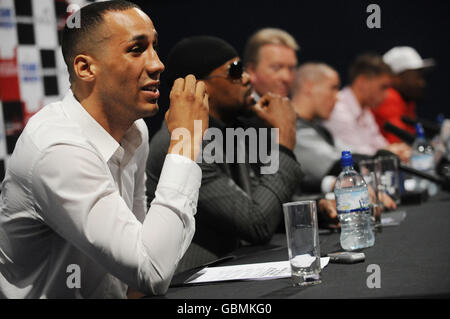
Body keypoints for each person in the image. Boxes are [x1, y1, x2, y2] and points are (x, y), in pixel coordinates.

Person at [0, 1, 209, 299]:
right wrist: (185, 140)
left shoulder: (134, 131)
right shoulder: (57, 150)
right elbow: (152, 270)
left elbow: (142, 258)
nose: (157, 63)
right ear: (86, 68)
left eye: (154, 47)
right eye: (136, 49)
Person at [146, 36, 338, 273]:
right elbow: (257, 224)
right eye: (235, 71)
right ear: (199, 87)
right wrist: (285, 140)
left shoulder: (234, 130)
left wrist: (314, 209)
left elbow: (262, 202)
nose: (247, 79)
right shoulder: (180, 141)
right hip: (188, 284)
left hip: (232, 268)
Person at [292, 63, 397, 210]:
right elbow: (336, 164)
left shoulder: (318, 127)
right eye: (333, 88)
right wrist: (378, 161)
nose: (337, 97)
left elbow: (348, 153)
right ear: (309, 86)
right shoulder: (292, 129)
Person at [323, 53, 411, 162]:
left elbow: (379, 145)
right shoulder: (337, 109)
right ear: (362, 82)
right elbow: (355, 154)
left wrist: (396, 150)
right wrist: (390, 152)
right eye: (383, 87)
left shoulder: (365, 110)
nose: (387, 94)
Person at [373, 46, 435, 143]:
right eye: (417, 76)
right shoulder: (388, 98)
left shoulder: (407, 100)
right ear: (396, 77)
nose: (421, 83)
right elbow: (402, 144)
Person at [243, 27, 299, 99]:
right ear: (252, 71)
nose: (286, 77)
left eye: (291, 69)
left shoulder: (290, 109)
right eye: (277, 68)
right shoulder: (235, 108)